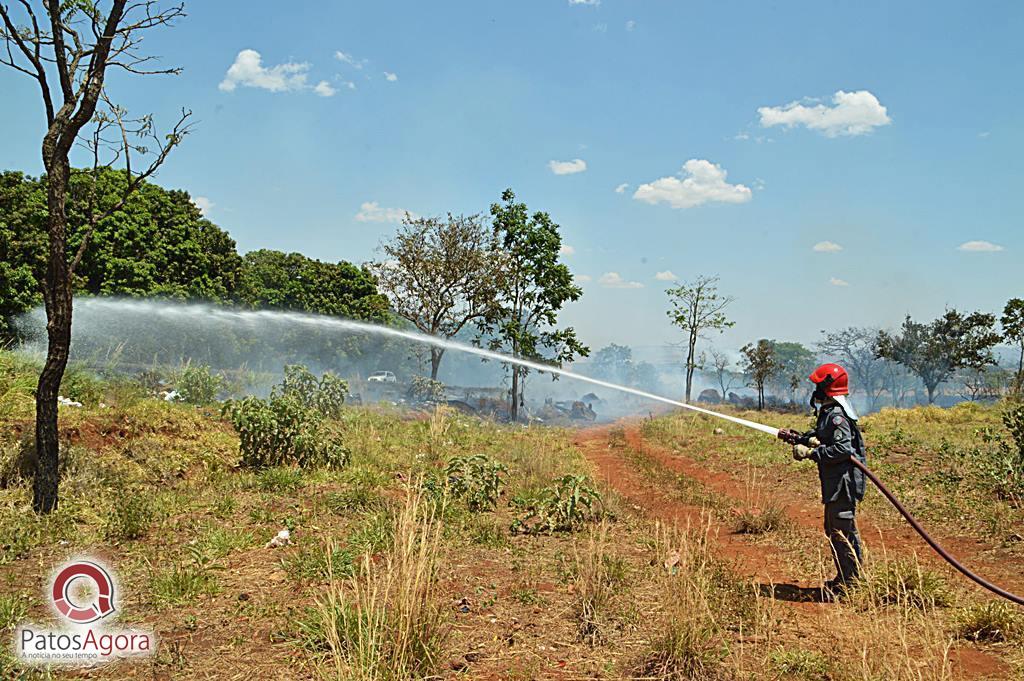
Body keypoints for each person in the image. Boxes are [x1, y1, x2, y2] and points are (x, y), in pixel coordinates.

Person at [780, 363, 867, 597]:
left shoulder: (837, 415)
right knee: (834, 529)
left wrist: (811, 453)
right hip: (835, 482)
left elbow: (842, 449)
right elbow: (826, 439)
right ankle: (845, 580)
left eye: (819, 383)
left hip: (843, 483)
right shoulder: (830, 412)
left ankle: (853, 585)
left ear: (828, 387)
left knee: (842, 531)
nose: (815, 388)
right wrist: (804, 439)